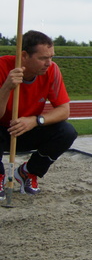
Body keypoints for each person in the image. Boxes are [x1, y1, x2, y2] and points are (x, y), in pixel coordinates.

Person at [0, 30, 78, 199]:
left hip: (27, 129)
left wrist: (35, 121)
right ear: (24, 55)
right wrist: (6, 87)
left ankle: (29, 172)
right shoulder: (1, 67)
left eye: (51, 57)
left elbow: (64, 110)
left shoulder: (52, 71)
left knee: (66, 131)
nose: (49, 63)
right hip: (3, 129)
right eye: (43, 58)